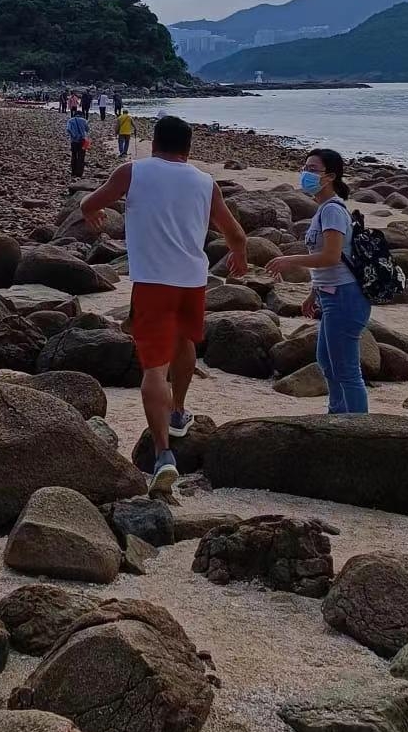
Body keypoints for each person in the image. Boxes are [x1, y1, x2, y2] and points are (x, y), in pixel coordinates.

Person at [81, 115, 248, 492]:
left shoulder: (132, 172)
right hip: (192, 281)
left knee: (154, 370)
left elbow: (90, 202)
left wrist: (92, 213)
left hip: (153, 282)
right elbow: (236, 234)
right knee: (184, 341)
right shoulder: (205, 182)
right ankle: (178, 411)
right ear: (188, 148)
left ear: (154, 143)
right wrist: (239, 256)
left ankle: (163, 455)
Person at [265, 147, 371, 414]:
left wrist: (290, 260)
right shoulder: (324, 209)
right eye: (305, 168)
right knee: (328, 363)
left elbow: (331, 257)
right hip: (332, 295)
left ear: (330, 176)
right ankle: (337, 417)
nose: (306, 174)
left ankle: (359, 427)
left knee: (346, 370)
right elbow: (333, 259)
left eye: (313, 170)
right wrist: (314, 294)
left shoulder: (332, 210)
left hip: (345, 296)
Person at [66, 105, 90, 177]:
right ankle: (79, 173)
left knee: (74, 155)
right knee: (81, 156)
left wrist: (73, 135)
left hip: (74, 141)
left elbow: (68, 129)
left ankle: (73, 172)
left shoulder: (70, 120)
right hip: (83, 141)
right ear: (81, 115)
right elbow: (87, 130)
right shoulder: (84, 120)